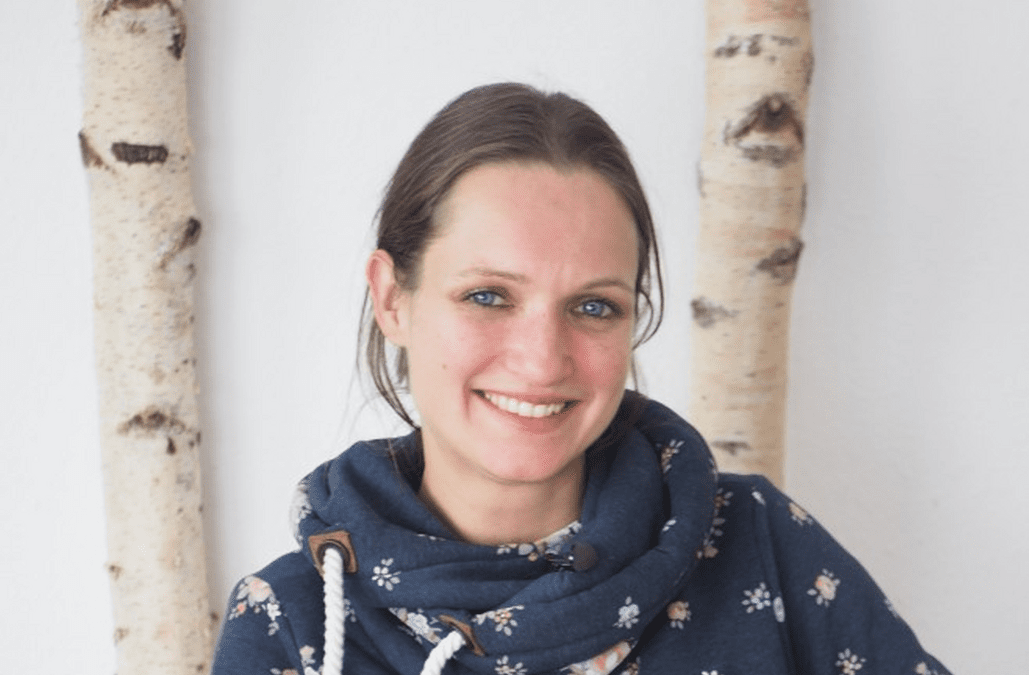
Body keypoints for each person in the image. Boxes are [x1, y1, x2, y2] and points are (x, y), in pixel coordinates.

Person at [211, 83, 951, 675]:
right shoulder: (291, 623)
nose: (542, 360)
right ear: (392, 299)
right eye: (488, 296)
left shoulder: (760, 544)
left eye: (594, 306)